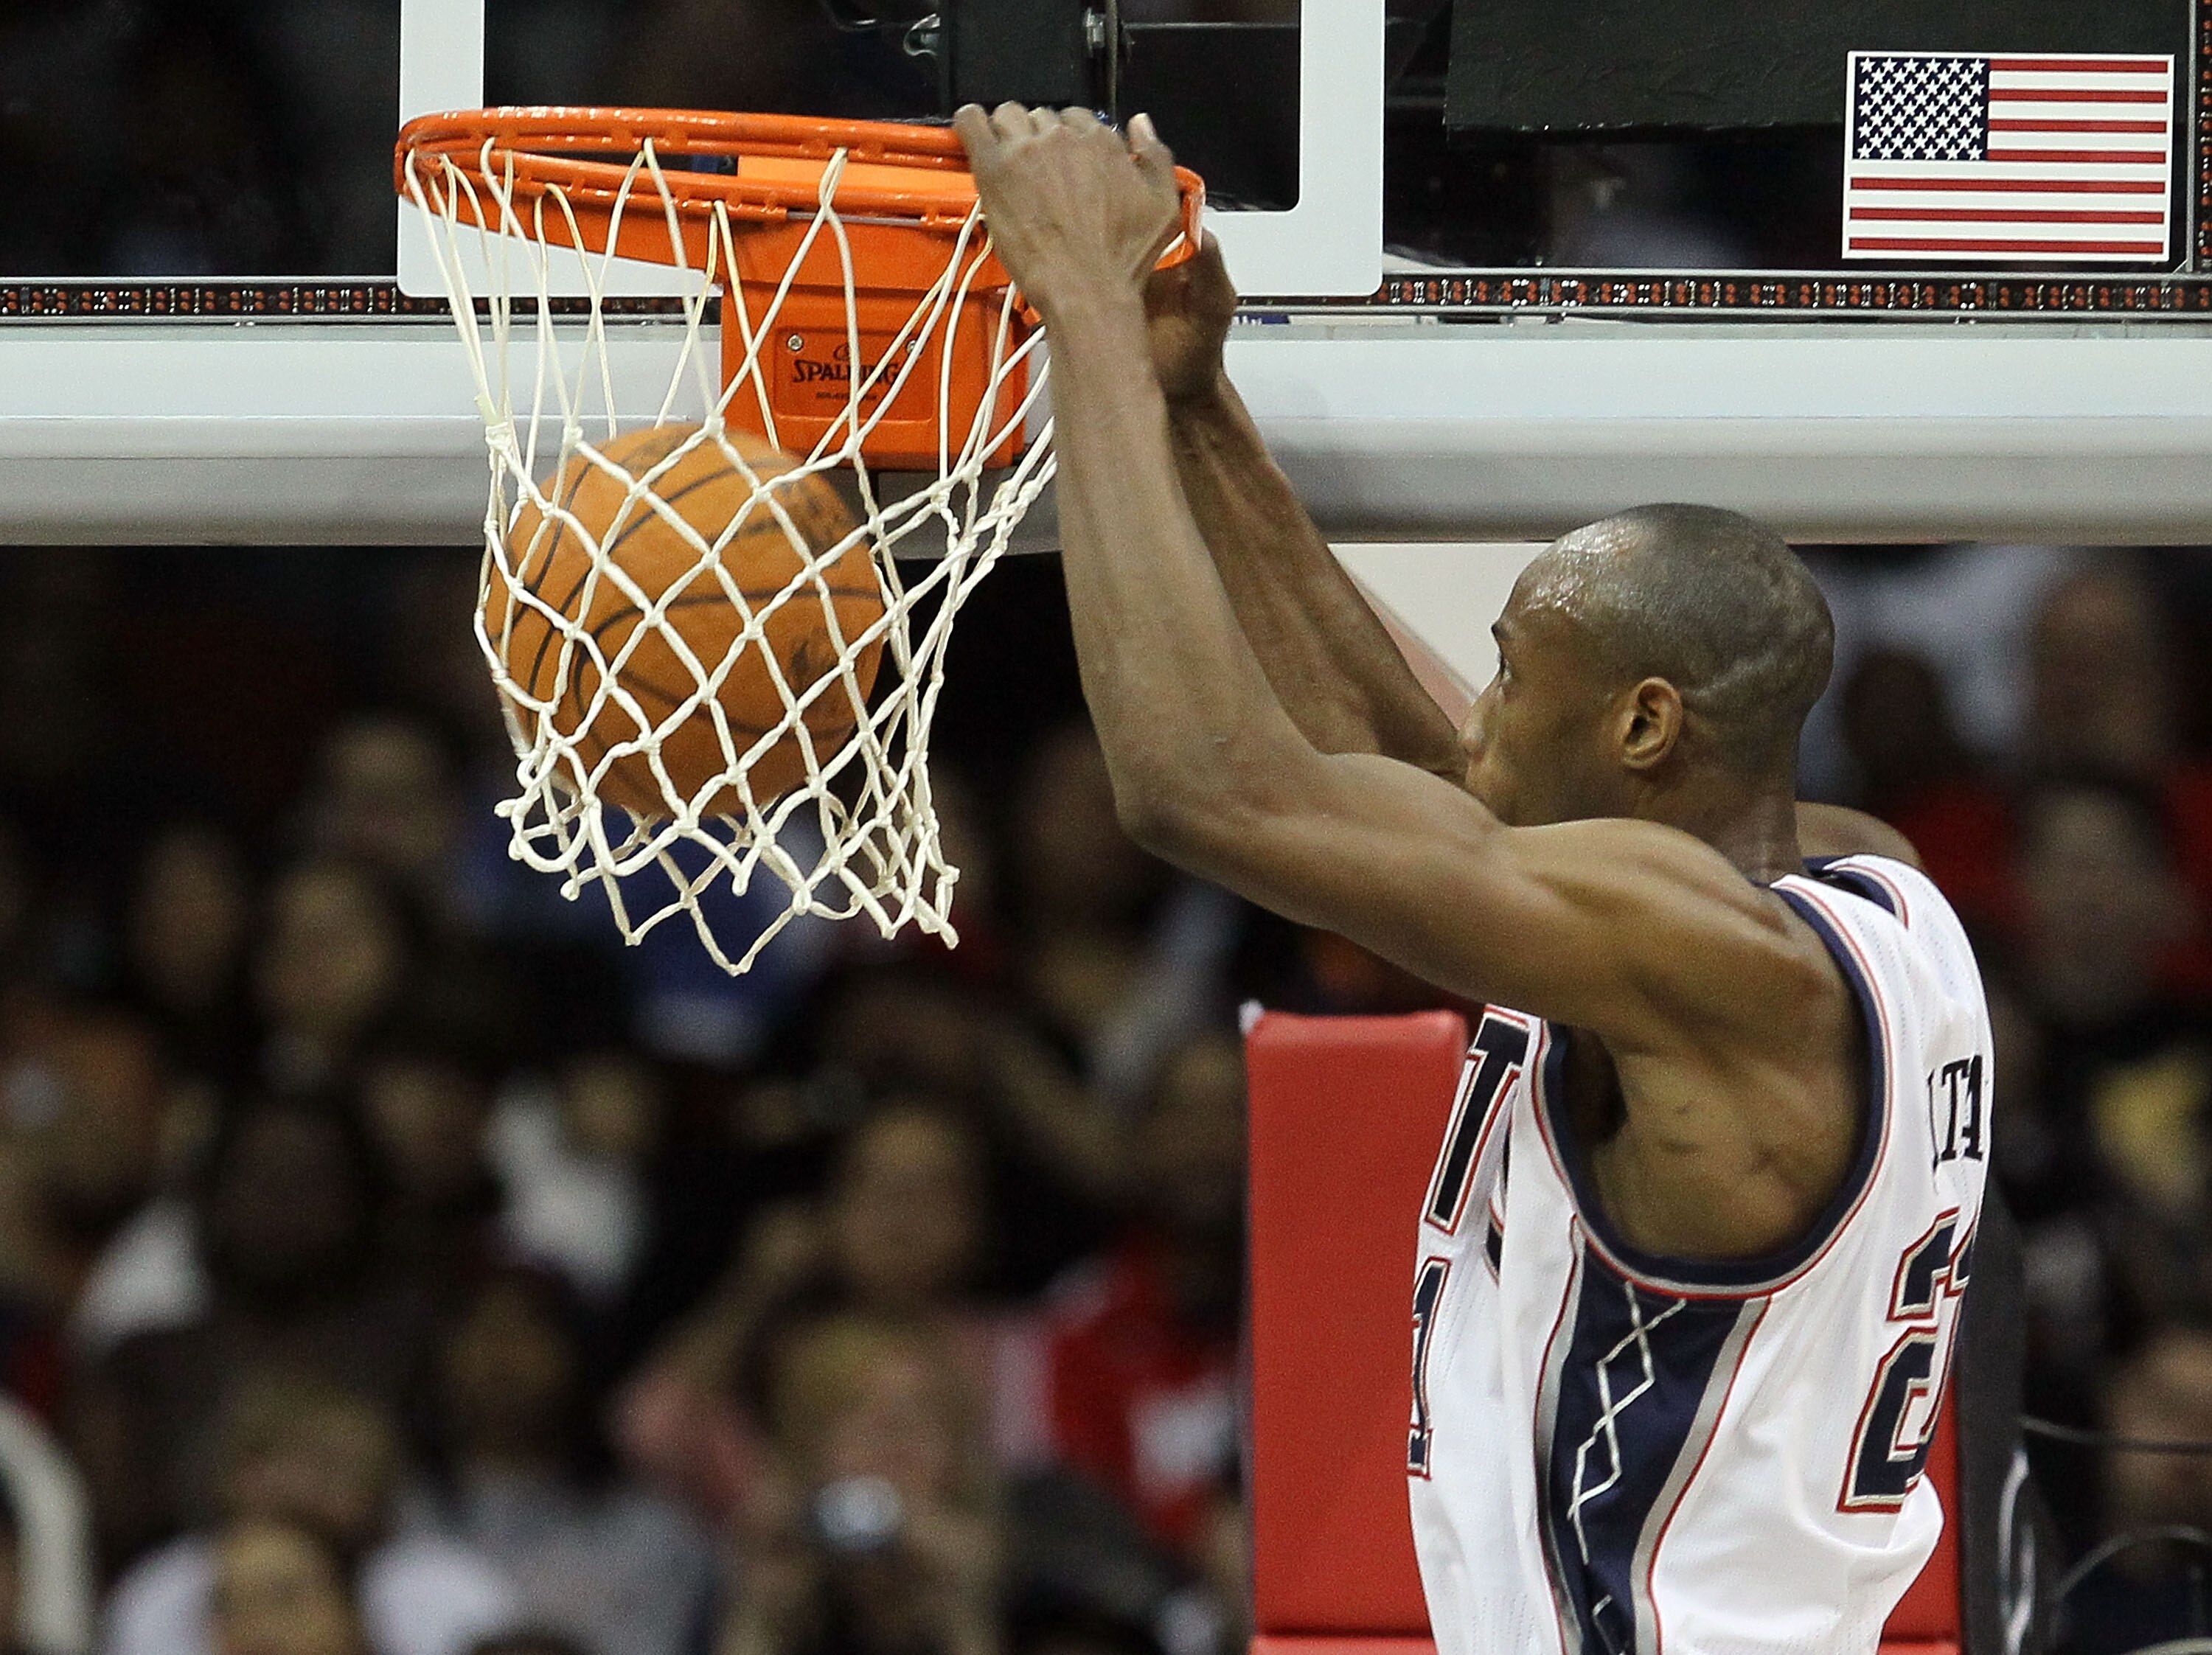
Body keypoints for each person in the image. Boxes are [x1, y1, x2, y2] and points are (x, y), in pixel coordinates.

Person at [953, 107, 2000, 1652]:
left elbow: (1197, 786)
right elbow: (1445, 796)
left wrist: (1086, 319)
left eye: (1514, 671)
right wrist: (1199, 411)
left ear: (1645, 724)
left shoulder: (1719, 968)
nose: (1482, 705)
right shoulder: (1872, 893)